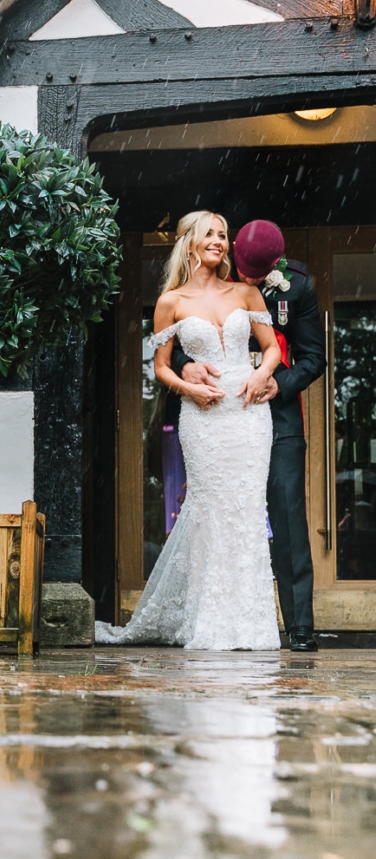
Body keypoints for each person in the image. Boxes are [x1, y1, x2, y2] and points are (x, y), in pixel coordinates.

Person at [97, 211, 282, 650]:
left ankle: (251, 625)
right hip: (203, 418)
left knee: (247, 511)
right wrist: (190, 390)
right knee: (209, 512)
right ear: (190, 242)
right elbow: (161, 367)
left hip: (249, 414)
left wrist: (262, 374)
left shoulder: (246, 292)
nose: (218, 241)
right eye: (209, 234)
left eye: (223, 235)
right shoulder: (171, 302)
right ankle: (209, 621)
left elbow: (271, 348)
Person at [175, 219, 325, 652]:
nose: (251, 281)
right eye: (246, 272)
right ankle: (216, 618)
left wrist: (279, 383)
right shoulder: (210, 275)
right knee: (220, 514)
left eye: (260, 276)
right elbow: (176, 334)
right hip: (220, 413)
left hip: (276, 416)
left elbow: (314, 357)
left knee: (288, 515)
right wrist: (185, 365)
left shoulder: (297, 286)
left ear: (275, 265)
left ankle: (299, 627)